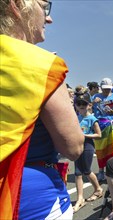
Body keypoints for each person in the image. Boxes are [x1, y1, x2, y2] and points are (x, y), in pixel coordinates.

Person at [0, 0, 84, 219]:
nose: (49, 18)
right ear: (17, 6)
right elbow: (73, 147)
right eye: (44, 7)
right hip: (28, 196)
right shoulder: (41, 65)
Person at [73, 94, 103, 213]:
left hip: (88, 146)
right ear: (75, 105)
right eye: (79, 104)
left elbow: (99, 135)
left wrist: (84, 135)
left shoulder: (92, 118)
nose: (81, 106)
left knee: (86, 170)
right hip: (77, 145)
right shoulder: (75, 117)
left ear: (89, 105)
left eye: (84, 104)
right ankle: (80, 199)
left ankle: (98, 189)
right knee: (77, 172)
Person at [92, 78, 113, 182]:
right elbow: (87, 110)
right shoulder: (95, 97)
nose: (107, 91)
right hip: (101, 126)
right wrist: (93, 103)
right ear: (101, 88)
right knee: (102, 149)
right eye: (105, 89)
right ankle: (101, 170)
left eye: (108, 89)